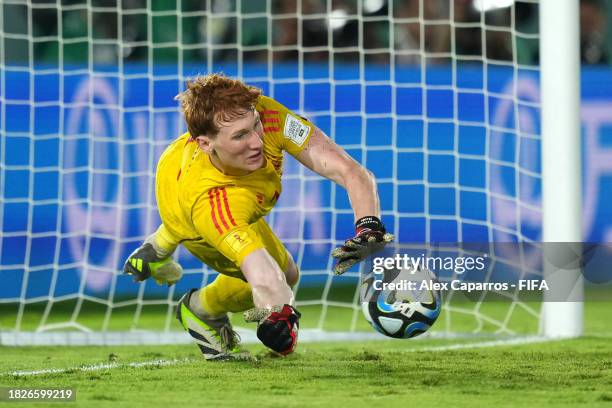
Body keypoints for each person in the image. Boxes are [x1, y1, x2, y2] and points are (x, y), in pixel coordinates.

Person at [123, 73, 393, 360]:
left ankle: (159, 244)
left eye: (254, 127)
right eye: (240, 136)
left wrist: (369, 225)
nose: (256, 142)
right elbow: (263, 275)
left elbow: (350, 170)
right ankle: (200, 309)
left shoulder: (267, 114)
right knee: (284, 275)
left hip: (195, 169)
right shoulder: (212, 205)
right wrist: (278, 316)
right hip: (190, 203)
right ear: (205, 143)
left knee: (287, 272)